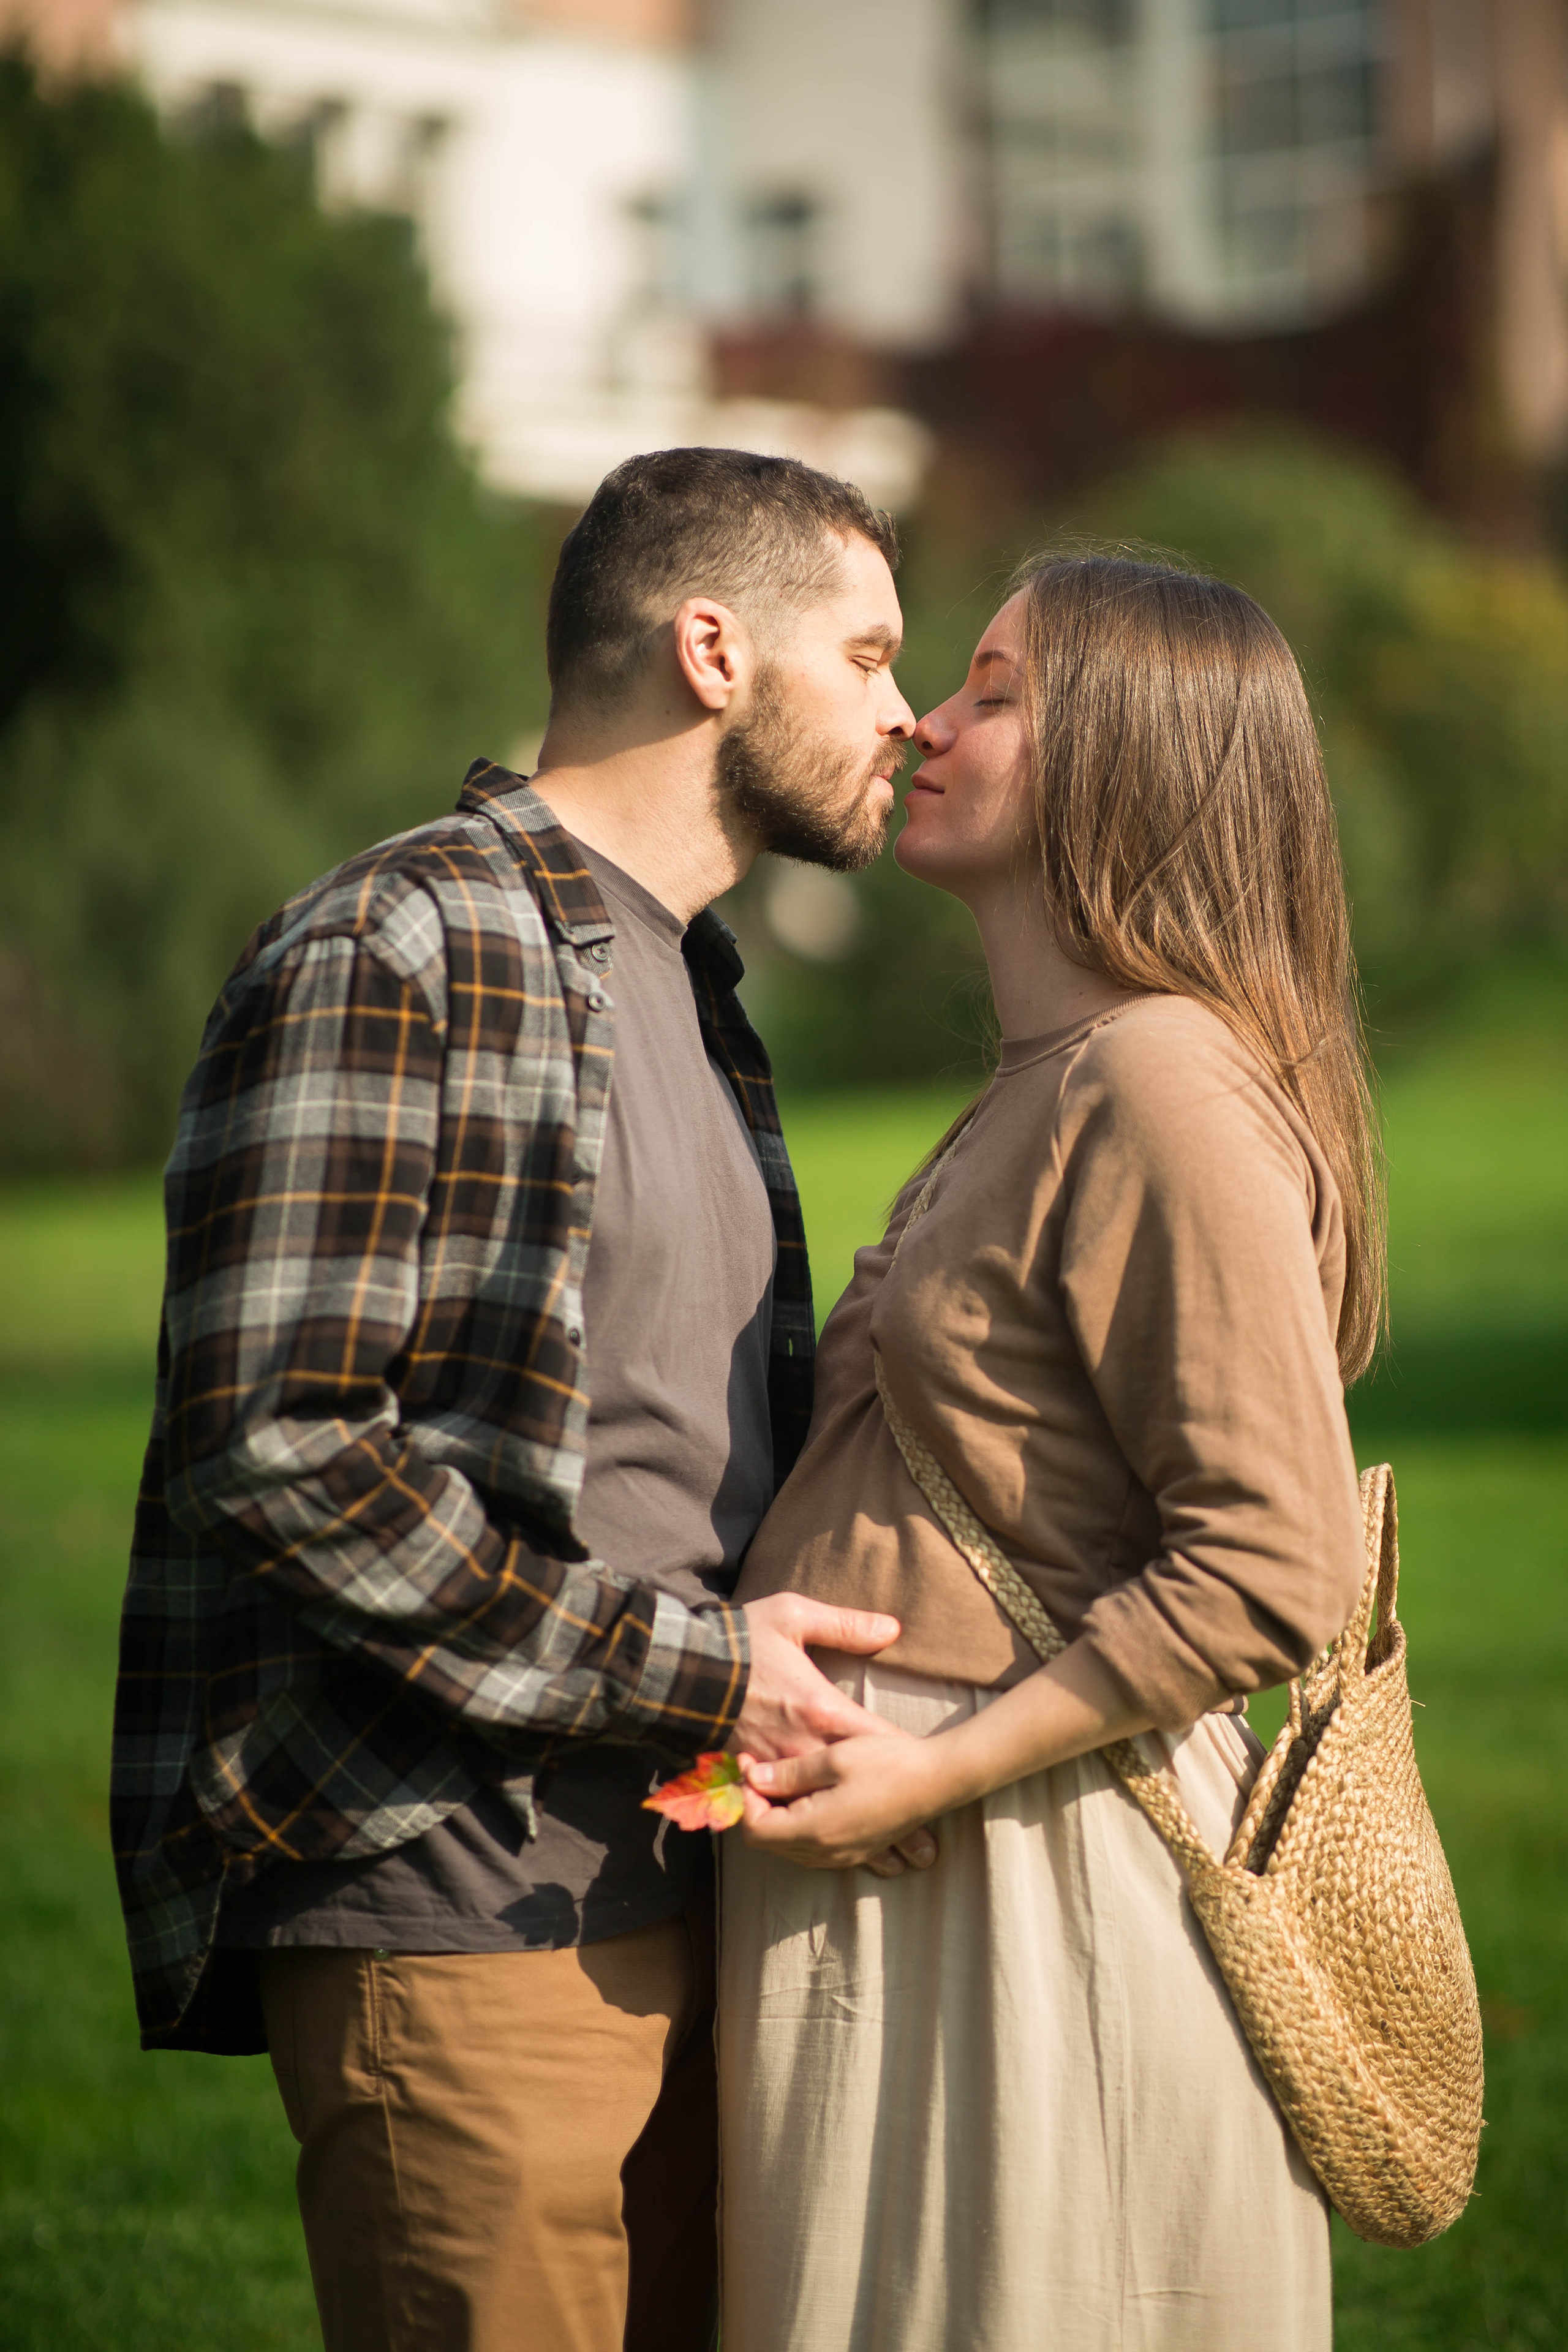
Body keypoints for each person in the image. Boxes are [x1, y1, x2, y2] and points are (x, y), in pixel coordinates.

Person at [110, 447, 930, 2352]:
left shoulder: (690, 985)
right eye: (873, 650)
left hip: (687, 1902)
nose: (906, 707)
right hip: (458, 1913)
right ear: (714, 648)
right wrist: (700, 1667)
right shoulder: (400, 947)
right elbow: (281, 1449)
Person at [720, 552, 1384, 2352]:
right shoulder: (1057, 1072)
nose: (930, 717)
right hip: (933, 1850)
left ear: (1131, 758)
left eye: (997, 692)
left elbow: (1275, 1562)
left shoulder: (1157, 1081)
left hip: (1023, 1883)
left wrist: (931, 1780)